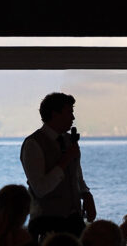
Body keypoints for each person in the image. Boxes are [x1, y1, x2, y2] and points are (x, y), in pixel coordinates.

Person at [20, 93, 96, 241]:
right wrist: (65, 160)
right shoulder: (33, 144)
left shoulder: (69, 141)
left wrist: (86, 195)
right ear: (55, 114)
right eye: (69, 112)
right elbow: (40, 189)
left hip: (74, 220)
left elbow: (77, 176)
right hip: (46, 222)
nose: (73, 118)